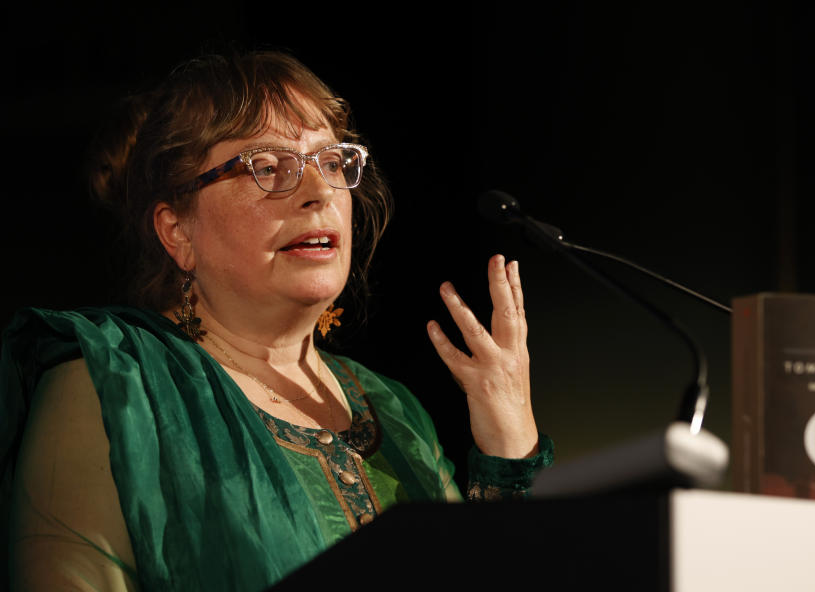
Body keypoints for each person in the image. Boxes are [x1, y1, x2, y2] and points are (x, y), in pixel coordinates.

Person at [1, 51, 553, 590]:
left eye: (332, 162)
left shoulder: (394, 409)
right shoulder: (113, 383)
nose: (319, 193)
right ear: (178, 232)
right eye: (267, 167)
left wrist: (507, 447)